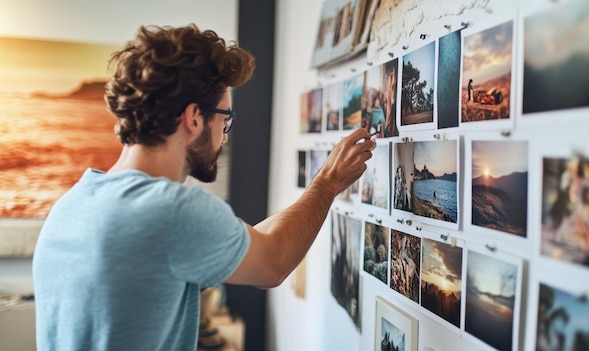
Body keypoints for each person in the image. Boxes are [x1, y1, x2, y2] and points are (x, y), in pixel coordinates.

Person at [32, 24, 376, 351]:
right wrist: (328, 182)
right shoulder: (172, 209)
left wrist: (313, 191)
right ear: (194, 118)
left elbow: (255, 245)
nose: (225, 136)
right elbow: (273, 264)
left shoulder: (76, 202)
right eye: (225, 120)